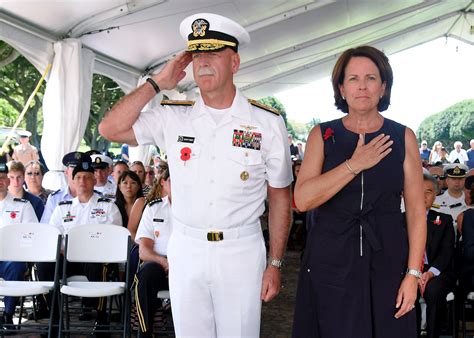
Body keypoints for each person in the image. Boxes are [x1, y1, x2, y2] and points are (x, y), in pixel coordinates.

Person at [98, 12, 292, 337]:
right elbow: (110, 128)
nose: (202, 62)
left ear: (235, 62)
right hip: (186, 246)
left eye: (213, 53)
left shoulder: (266, 122)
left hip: (241, 250)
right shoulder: (173, 115)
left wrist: (275, 263)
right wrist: (157, 82)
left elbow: (280, 195)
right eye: (197, 54)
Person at [292, 45, 426, 338]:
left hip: (388, 261)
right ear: (341, 88)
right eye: (352, 78)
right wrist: (354, 165)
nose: (362, 85)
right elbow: (302, 200)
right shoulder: (322, 135)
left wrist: (413, 275)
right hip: (330, 262)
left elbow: (417, 211)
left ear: (383, 87)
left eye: (371, 78)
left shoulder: (402, 136)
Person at [40, 154, 123, 335]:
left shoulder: (108, 206)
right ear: (73, 181)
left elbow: (115, 238)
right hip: (68, 257)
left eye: (86, 177)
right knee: (45, 266)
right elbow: (53, 235)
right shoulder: (63, 207)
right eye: (78, 177)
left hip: (96, 258)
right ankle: (55, 322)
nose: (82, 181)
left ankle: (101, 322)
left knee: (100, 267)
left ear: (94, 180)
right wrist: (60, 250)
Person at [415, 173, 455, 338]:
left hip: (438, 272)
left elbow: (446, 253)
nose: (424, 196)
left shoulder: (444, 220)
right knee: (408, 289)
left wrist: (430, 273)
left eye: (429, 192)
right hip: (412, 272)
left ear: (436, 194)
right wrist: (414, 274)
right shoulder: (402, 220)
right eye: (419, 191)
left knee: (432, 291)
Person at [134, 166, 171, 338]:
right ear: (163, 183)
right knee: (146, 274)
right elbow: (144, 251)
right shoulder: (154, 208)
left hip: (188, 264)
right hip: (159, 263)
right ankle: (145, 332)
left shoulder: (196, 210)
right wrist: (163, 262)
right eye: (172, 180)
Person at [0, 163, 38, 331]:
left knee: (15, 267)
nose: (0, 181)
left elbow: (32, 235)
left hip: (11, 257)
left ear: (7, 181)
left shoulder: (22, 205)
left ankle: (8, 315)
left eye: (2, 178)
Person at [41, 151, 82, 224]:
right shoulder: (55, 198)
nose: (77, 174)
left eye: (80, 170)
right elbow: (46, 226)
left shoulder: (95, 197)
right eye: (74, 169)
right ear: (66, 172)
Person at [434, 164, 468, 231]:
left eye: (460, 178)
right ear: (447, 181)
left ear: (464, 180)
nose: (457, 182)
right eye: (453, 179)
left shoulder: (470, 199)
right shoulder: (436, 201)